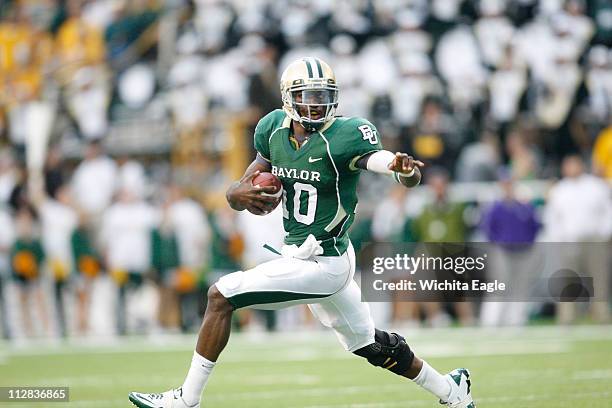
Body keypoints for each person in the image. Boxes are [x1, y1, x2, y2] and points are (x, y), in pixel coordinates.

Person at [129, 58, 475, 408]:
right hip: (301, 254)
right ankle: (451, 389)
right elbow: (243, 187)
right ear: (288, 98)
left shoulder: (346, 134)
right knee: (369, 344)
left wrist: (403, 170)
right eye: (308, 95)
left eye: (324, 95)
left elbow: (387, 164)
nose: (317, 103)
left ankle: (186, 400)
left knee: (221, 295)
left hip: (325, 262)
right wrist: (235, 194)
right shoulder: (272, 128)